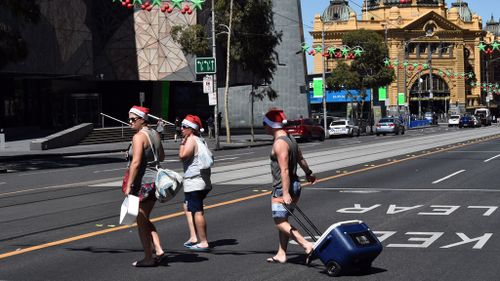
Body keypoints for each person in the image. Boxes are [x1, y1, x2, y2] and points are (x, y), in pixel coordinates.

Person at [263, 108, 317, 264]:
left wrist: (285, 193)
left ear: (271, 125)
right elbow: (301, 158)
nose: (264, 127)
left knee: (279, 222)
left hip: (283, 187)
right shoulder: (291, 139)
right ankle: (281, 253)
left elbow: (284, 169)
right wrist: (308, 173)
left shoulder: (279, 143)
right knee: (284, 219)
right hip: (295, 185)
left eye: (264, 124)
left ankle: (307, 245)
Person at [124, 106, 166, 267]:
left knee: (141, 221)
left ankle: (149, 258)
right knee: (144, 217)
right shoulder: (154, 133)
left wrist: (129, 185)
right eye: (129, 119)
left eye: (133, 119)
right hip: (155, 182)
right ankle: (159, 249)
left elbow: (135, 163)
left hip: (142, 183)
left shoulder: (138, 137)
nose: (130, 122)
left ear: (142, 119)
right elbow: (161, 156)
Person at [178, 114, 212, 251]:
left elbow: (182, 156)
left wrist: (182, 143)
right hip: (202, 181)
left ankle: (203, 242)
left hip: (195, 182)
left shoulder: (191, 140)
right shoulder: (200, 140)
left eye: (184, 127)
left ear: (191, 129)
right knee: (187, 206)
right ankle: (193, 236)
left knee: (198, 211)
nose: (181, 129)